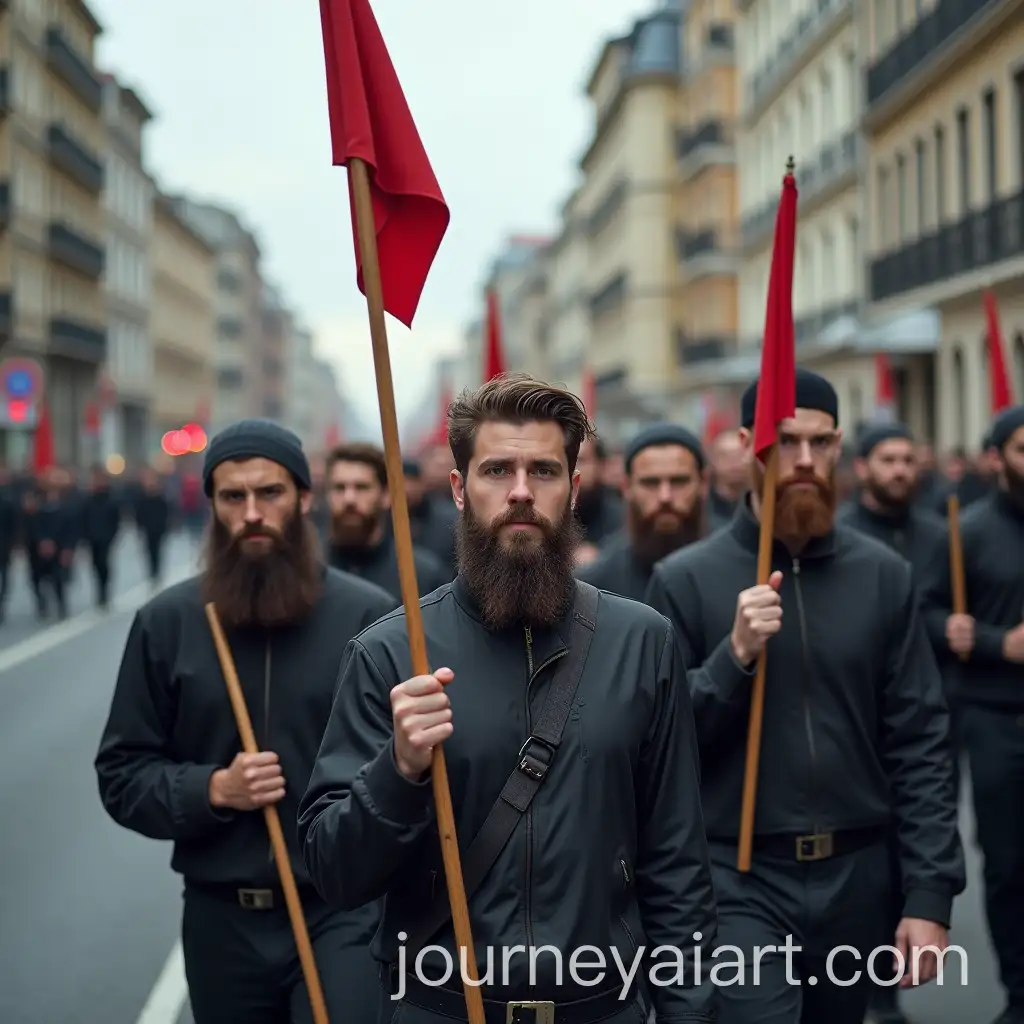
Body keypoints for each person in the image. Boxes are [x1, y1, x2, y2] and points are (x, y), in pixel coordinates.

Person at [298, 373, 718, 1024]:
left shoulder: (643, 641)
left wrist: (689, 1011)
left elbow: (676, 858)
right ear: (461, 490)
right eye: (497, 470)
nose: (521, 492)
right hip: (442, 1008)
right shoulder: (389, 653)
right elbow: (334, 872)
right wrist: (398, 768)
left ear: (575, 489)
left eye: (544, 471)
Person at [645, 368, 964, 1024]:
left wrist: (929, 893)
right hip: (737, 876)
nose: (805, 461)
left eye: (820, 444)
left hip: (857, 875)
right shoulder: (684, 580)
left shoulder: (883, 575)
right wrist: (732, 659)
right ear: (746, 445)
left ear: (840, 445)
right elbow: (660, 745)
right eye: (786, 442)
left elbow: (921, 740)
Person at [95, 419, 396, 1024]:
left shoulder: (369, 617)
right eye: (233, 497)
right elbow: (121, 774)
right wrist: (211, 789)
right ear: (212, 505)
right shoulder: (168, 621)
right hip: (221, 917)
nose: (252, 513)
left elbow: (404, 769)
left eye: (270, 493)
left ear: (304, 498)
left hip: (339, 913)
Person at [836, 421, 952, 1024]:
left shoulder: (942, 533)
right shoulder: (846, 543)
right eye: (889, 458)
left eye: (910, 458)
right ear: (862, 466)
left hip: (926, 708)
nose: (902, 470)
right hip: (856, 733)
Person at [921, 403, 1024, 1024]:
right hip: (995, 720)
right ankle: (1019, 992)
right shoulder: (965, 530)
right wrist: (990, 641)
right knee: (1010, 864)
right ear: (997, 459)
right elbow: (928, 614)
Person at [576, 423, 710, 601]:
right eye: (650, 483)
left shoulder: (731, 567)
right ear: (626, 487)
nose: (665, 497)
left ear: (703, 483)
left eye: (679, 481)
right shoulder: (595, 586)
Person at [324, 442, 449, 605]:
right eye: (339, 488)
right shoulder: (309, 572)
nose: (349, 499)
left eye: (361, 487)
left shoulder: (420, 575)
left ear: (385, 495)